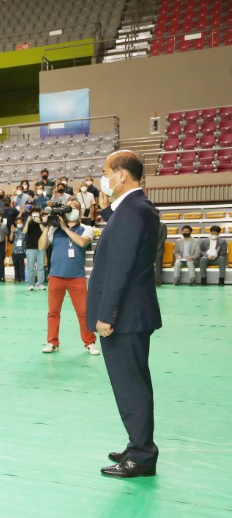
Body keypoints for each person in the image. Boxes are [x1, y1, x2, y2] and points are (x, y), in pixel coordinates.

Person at [87, 150, 162, 478]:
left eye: (106, 173)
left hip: (125, 316)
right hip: (133, 313)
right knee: (133, 383)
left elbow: (120, 268)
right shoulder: (135, 208)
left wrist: (108, 314)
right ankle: (137, 444)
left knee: (131, 387)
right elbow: (122, 239)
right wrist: (106, 207)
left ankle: (142, 456)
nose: (103, 179)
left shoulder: (133, 211)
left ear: (121, 175)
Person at [38, 199, 99, 355]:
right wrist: (48, 226)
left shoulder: (86, 229)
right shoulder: (54, 229)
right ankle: (52, 342)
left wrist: (64, 228)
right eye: (69, 207)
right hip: (56, 276)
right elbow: (41, 246)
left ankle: (90, 342)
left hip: (76, 277)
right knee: (53, 312)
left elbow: (82, 243)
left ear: (80, 211)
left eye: (75, 208)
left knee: (83, 312)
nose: (72, 210)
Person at [24, 207, 46, 290]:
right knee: (30, 267)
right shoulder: (29, 222)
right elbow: (24, 232)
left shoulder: (43, 221)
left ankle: (40, 284)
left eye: (37, 212)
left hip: (41, 247)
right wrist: (27, 222)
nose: (35, 213)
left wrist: (39, 222)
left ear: (40, 213)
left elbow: (44, 231)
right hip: (30, 247)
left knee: (41, 267)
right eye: (34, 212)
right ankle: (31, 284)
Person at [10, 219, 26, 283]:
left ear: (23, 223)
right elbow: (11, 239)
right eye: (18, 222)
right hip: (15, 251)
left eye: (20, 222)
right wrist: (11, 232)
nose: (19, 224)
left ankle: (22, 278)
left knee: (22, 266)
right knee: (16, 266)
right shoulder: (15, 230)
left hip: (23, 251)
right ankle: (17, 278)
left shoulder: (25, 230)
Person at [154, 220, 167, 287]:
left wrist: (159, 245)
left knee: (158, 264)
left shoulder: (163, 225)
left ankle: (158, 280)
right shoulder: (147, 224)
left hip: (159, 248)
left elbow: (164, 236)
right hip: (149, 247)